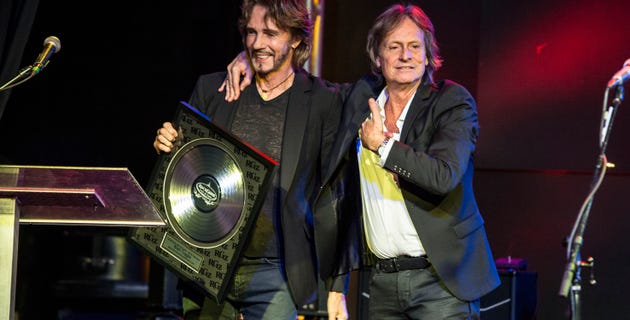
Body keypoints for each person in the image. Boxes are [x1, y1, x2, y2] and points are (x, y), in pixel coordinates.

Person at [223, 3, 501, 319]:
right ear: (378, 58)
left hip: (441, 281)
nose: (405, 56)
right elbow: (305, 86)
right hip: (382, 282)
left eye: (414, 47)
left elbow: (443, 176)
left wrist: (382, 146)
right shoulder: (360, 98)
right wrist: (254, 57)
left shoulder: (451, 101)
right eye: (394, 47)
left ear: (427, 55)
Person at [153, 0, 346, 319]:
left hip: (276, 270)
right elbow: (182, 174)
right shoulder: (214, 89)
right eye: (252, 33)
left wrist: (339, 284)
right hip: (208, 263)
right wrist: (167, 146)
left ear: (296, 38)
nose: (257, 43)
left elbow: (333, 197)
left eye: (270, 33)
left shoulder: (323, 101)